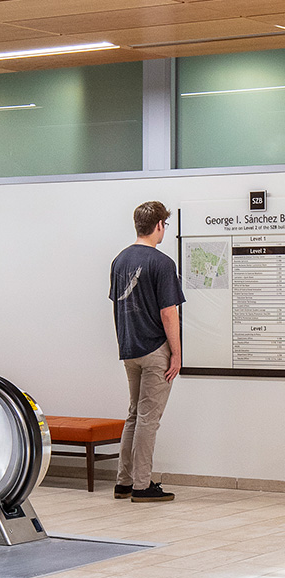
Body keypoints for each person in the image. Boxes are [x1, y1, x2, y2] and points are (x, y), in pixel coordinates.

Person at [109, 201, 185, 503]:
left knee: (133, 415)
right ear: (159, 226)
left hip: (129, 348)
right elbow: (169, 313)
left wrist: (125, 342)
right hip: (155, 349)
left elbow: (116, 304)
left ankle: (123, 482)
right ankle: (142, 485)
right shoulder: (163, 263)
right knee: (148, 418)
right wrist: (176, 354)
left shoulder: (119, 260)